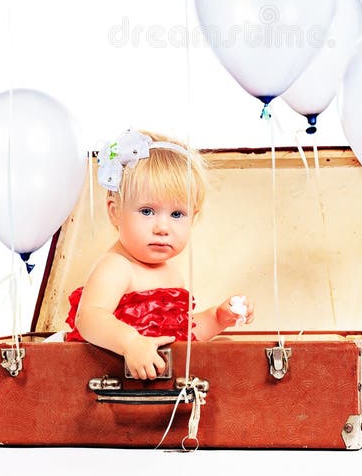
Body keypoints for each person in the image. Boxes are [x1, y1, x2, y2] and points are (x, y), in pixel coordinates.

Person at [64, 129, 254, 379]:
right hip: (105, 379)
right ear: (115, 211)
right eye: (147, 211)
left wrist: (217, 318)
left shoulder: (171, 274)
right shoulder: (117, 267)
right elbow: (90, 318)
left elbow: (178, 333)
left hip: (159, 386)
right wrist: (131, 342)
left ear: (193, 218)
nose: (162, 228)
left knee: (227, 345)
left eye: (177, 215)